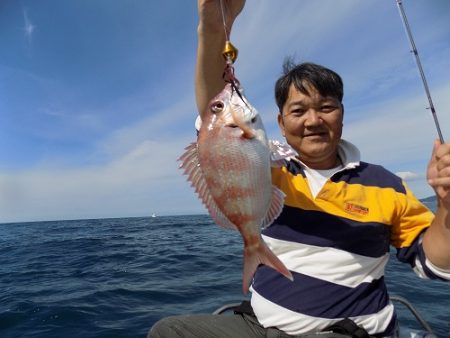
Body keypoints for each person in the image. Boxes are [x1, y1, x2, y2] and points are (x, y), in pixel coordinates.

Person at [148, 0, 450, 337]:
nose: (313, 120)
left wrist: (447, 207)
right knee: (169, 330)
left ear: (342, 114)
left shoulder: (385, 184)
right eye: (298, 110)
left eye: (326, 107)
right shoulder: (271, 170)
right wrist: (213, 29)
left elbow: (435, 265)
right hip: (261, 327)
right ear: (279, 122)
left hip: (347, 333)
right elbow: (212, 119)